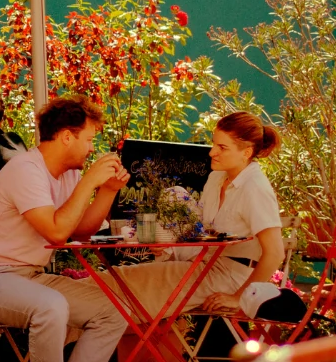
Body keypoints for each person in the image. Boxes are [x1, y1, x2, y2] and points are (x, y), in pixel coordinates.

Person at [0, 96, 128, 362]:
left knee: (112, 311)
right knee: (50, 306)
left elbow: (78, 230)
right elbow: (55, 231)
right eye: (88, 139)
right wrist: (89, 182)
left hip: (27, 274)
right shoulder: (27, 169)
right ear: (66, 137)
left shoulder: (67, 174)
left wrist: (108, 191)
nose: (90, 148)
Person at [115, 112, 303, 322]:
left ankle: (112, 310)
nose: (212, 152)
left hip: (233, 277)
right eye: (214, 144)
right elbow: (201, 230)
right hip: (203, 261)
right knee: (174, 195)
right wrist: (166, 242)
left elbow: (275, 253)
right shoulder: (216, 178)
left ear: (246, 152)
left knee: (134, 287)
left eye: (222, 148)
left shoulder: (255, 188)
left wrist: (238, 297)